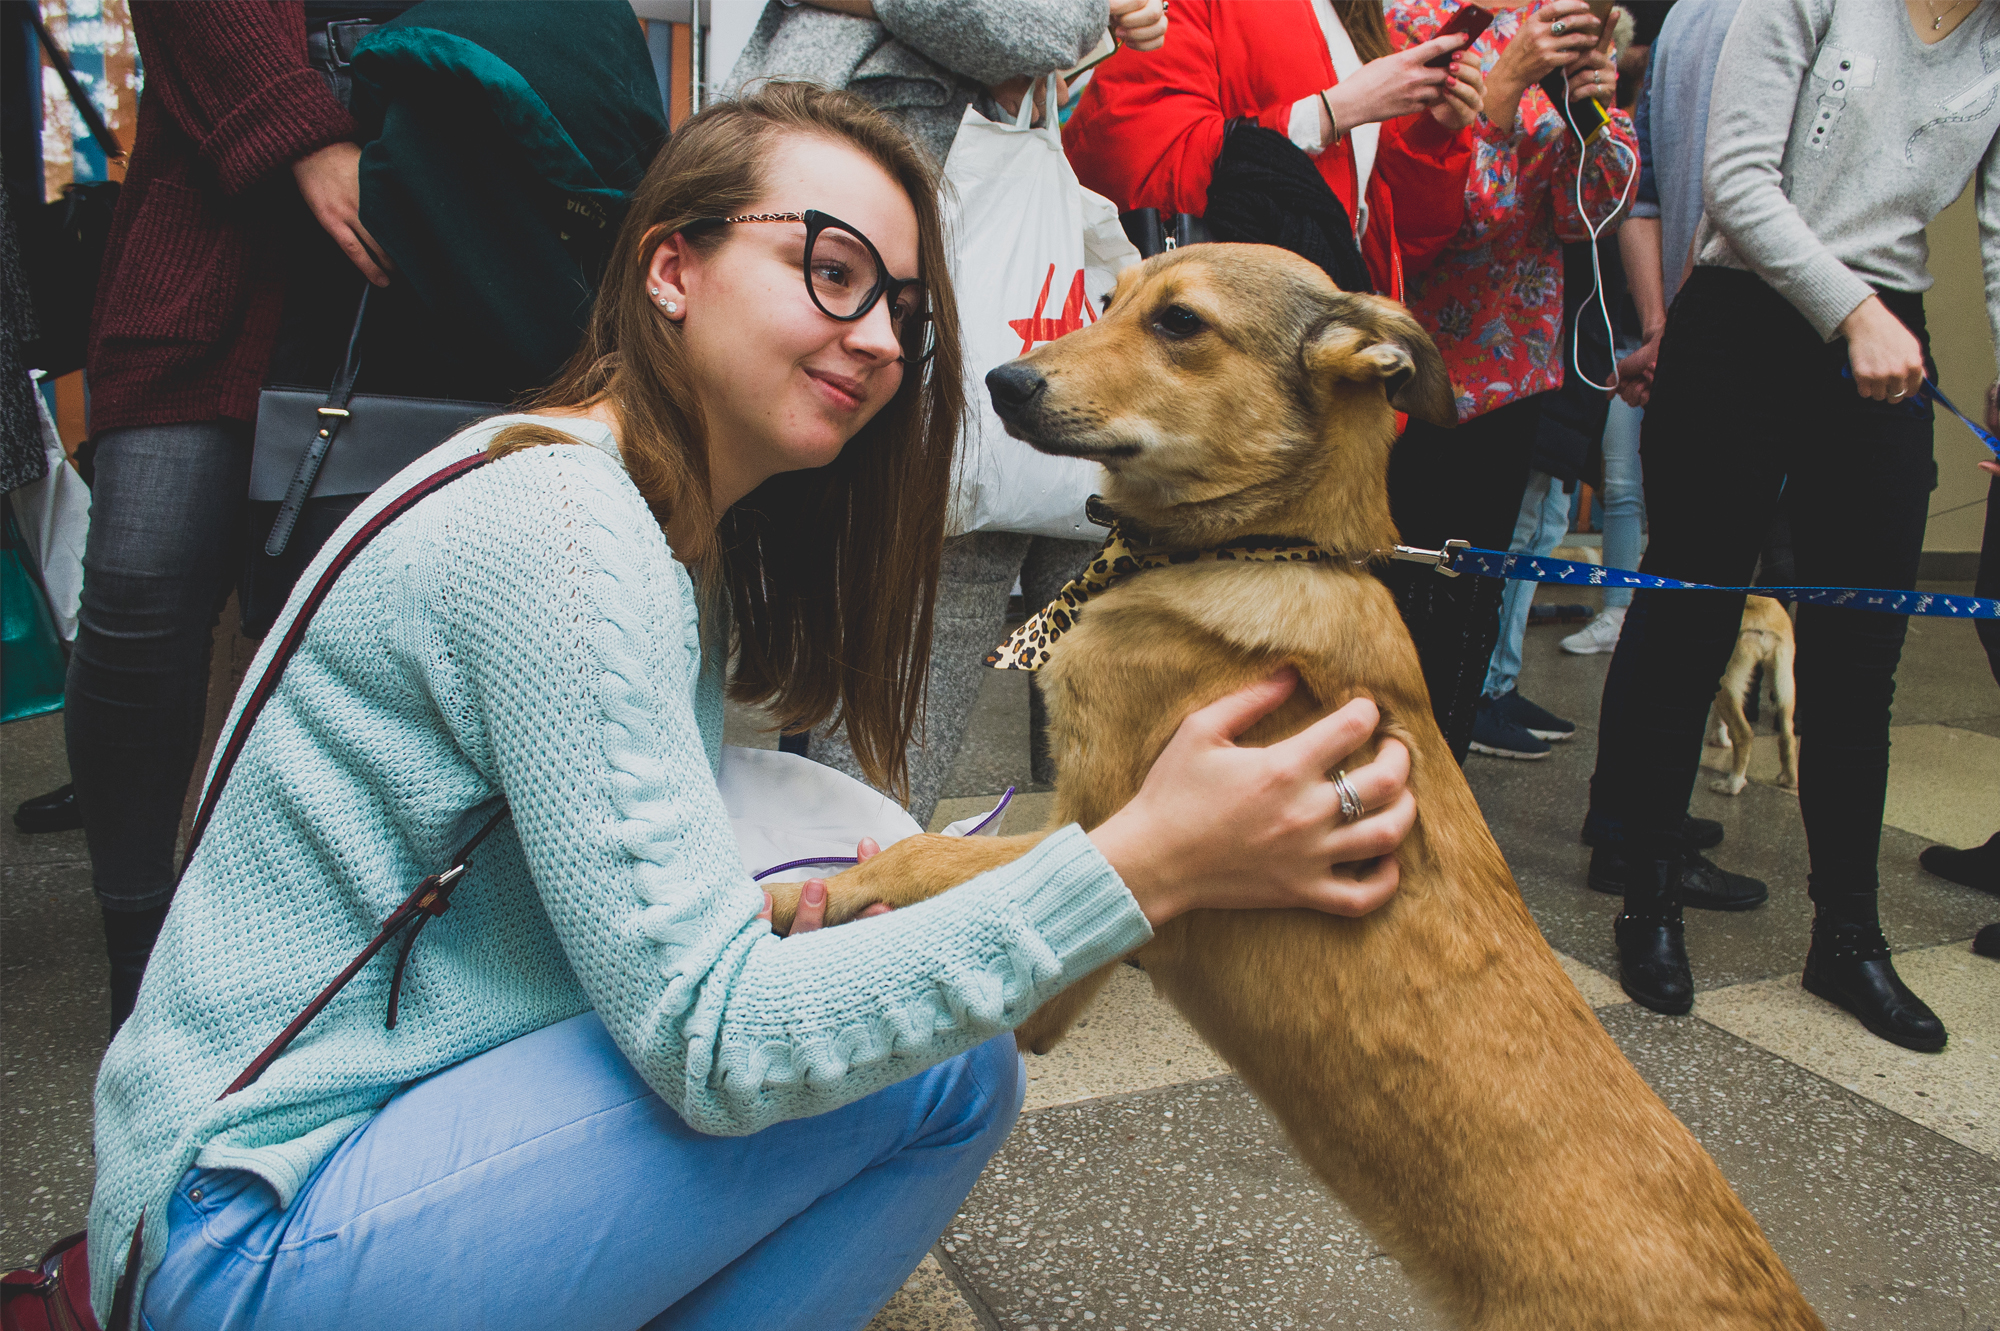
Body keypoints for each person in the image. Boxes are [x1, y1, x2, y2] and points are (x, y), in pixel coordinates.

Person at [89, 84, 1418, 1330]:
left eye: (906, 307)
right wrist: (1147, 858)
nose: (884, 337)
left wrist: (805, 906)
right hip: (237, 1239)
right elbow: (711, 1044)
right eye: (832, 269)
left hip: (338, 1157)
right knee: (944, 1071)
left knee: (907, 1028)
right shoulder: (563, 529)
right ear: (671, 267)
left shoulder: (637, 507)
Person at [1581, 0, 2000, 1051]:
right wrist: (1853, 310)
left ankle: (1846, 937)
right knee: (1686, 628)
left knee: (1861, 660)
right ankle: (1648, 905)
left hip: (1881, 343)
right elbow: (1734, 181)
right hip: (1743, 321)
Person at [728, 0, 1167, 826]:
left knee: (969, 595)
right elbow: (1036, 26)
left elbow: (1039, 36)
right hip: (868, 242)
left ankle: (855, 870)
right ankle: (847, 885)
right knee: (905, 614)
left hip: (907, 250)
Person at [1375, 0, 1637, 762]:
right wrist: (1506, 84)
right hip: (1410, 376)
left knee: (1471, 610)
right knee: (1393, 609)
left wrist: (1592, 109)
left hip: (1512, 375)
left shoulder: (1549, 30)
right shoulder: (1414, 22)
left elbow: (1593, 212)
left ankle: (1441, 790)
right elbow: (1438, 211)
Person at [1063, 0, 1487, 304]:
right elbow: (1142, 174)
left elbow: (1397, 242)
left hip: (1319, 340)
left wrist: (1434, 133)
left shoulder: (1355, 13)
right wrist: (1335, 111)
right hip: (1230, 346)